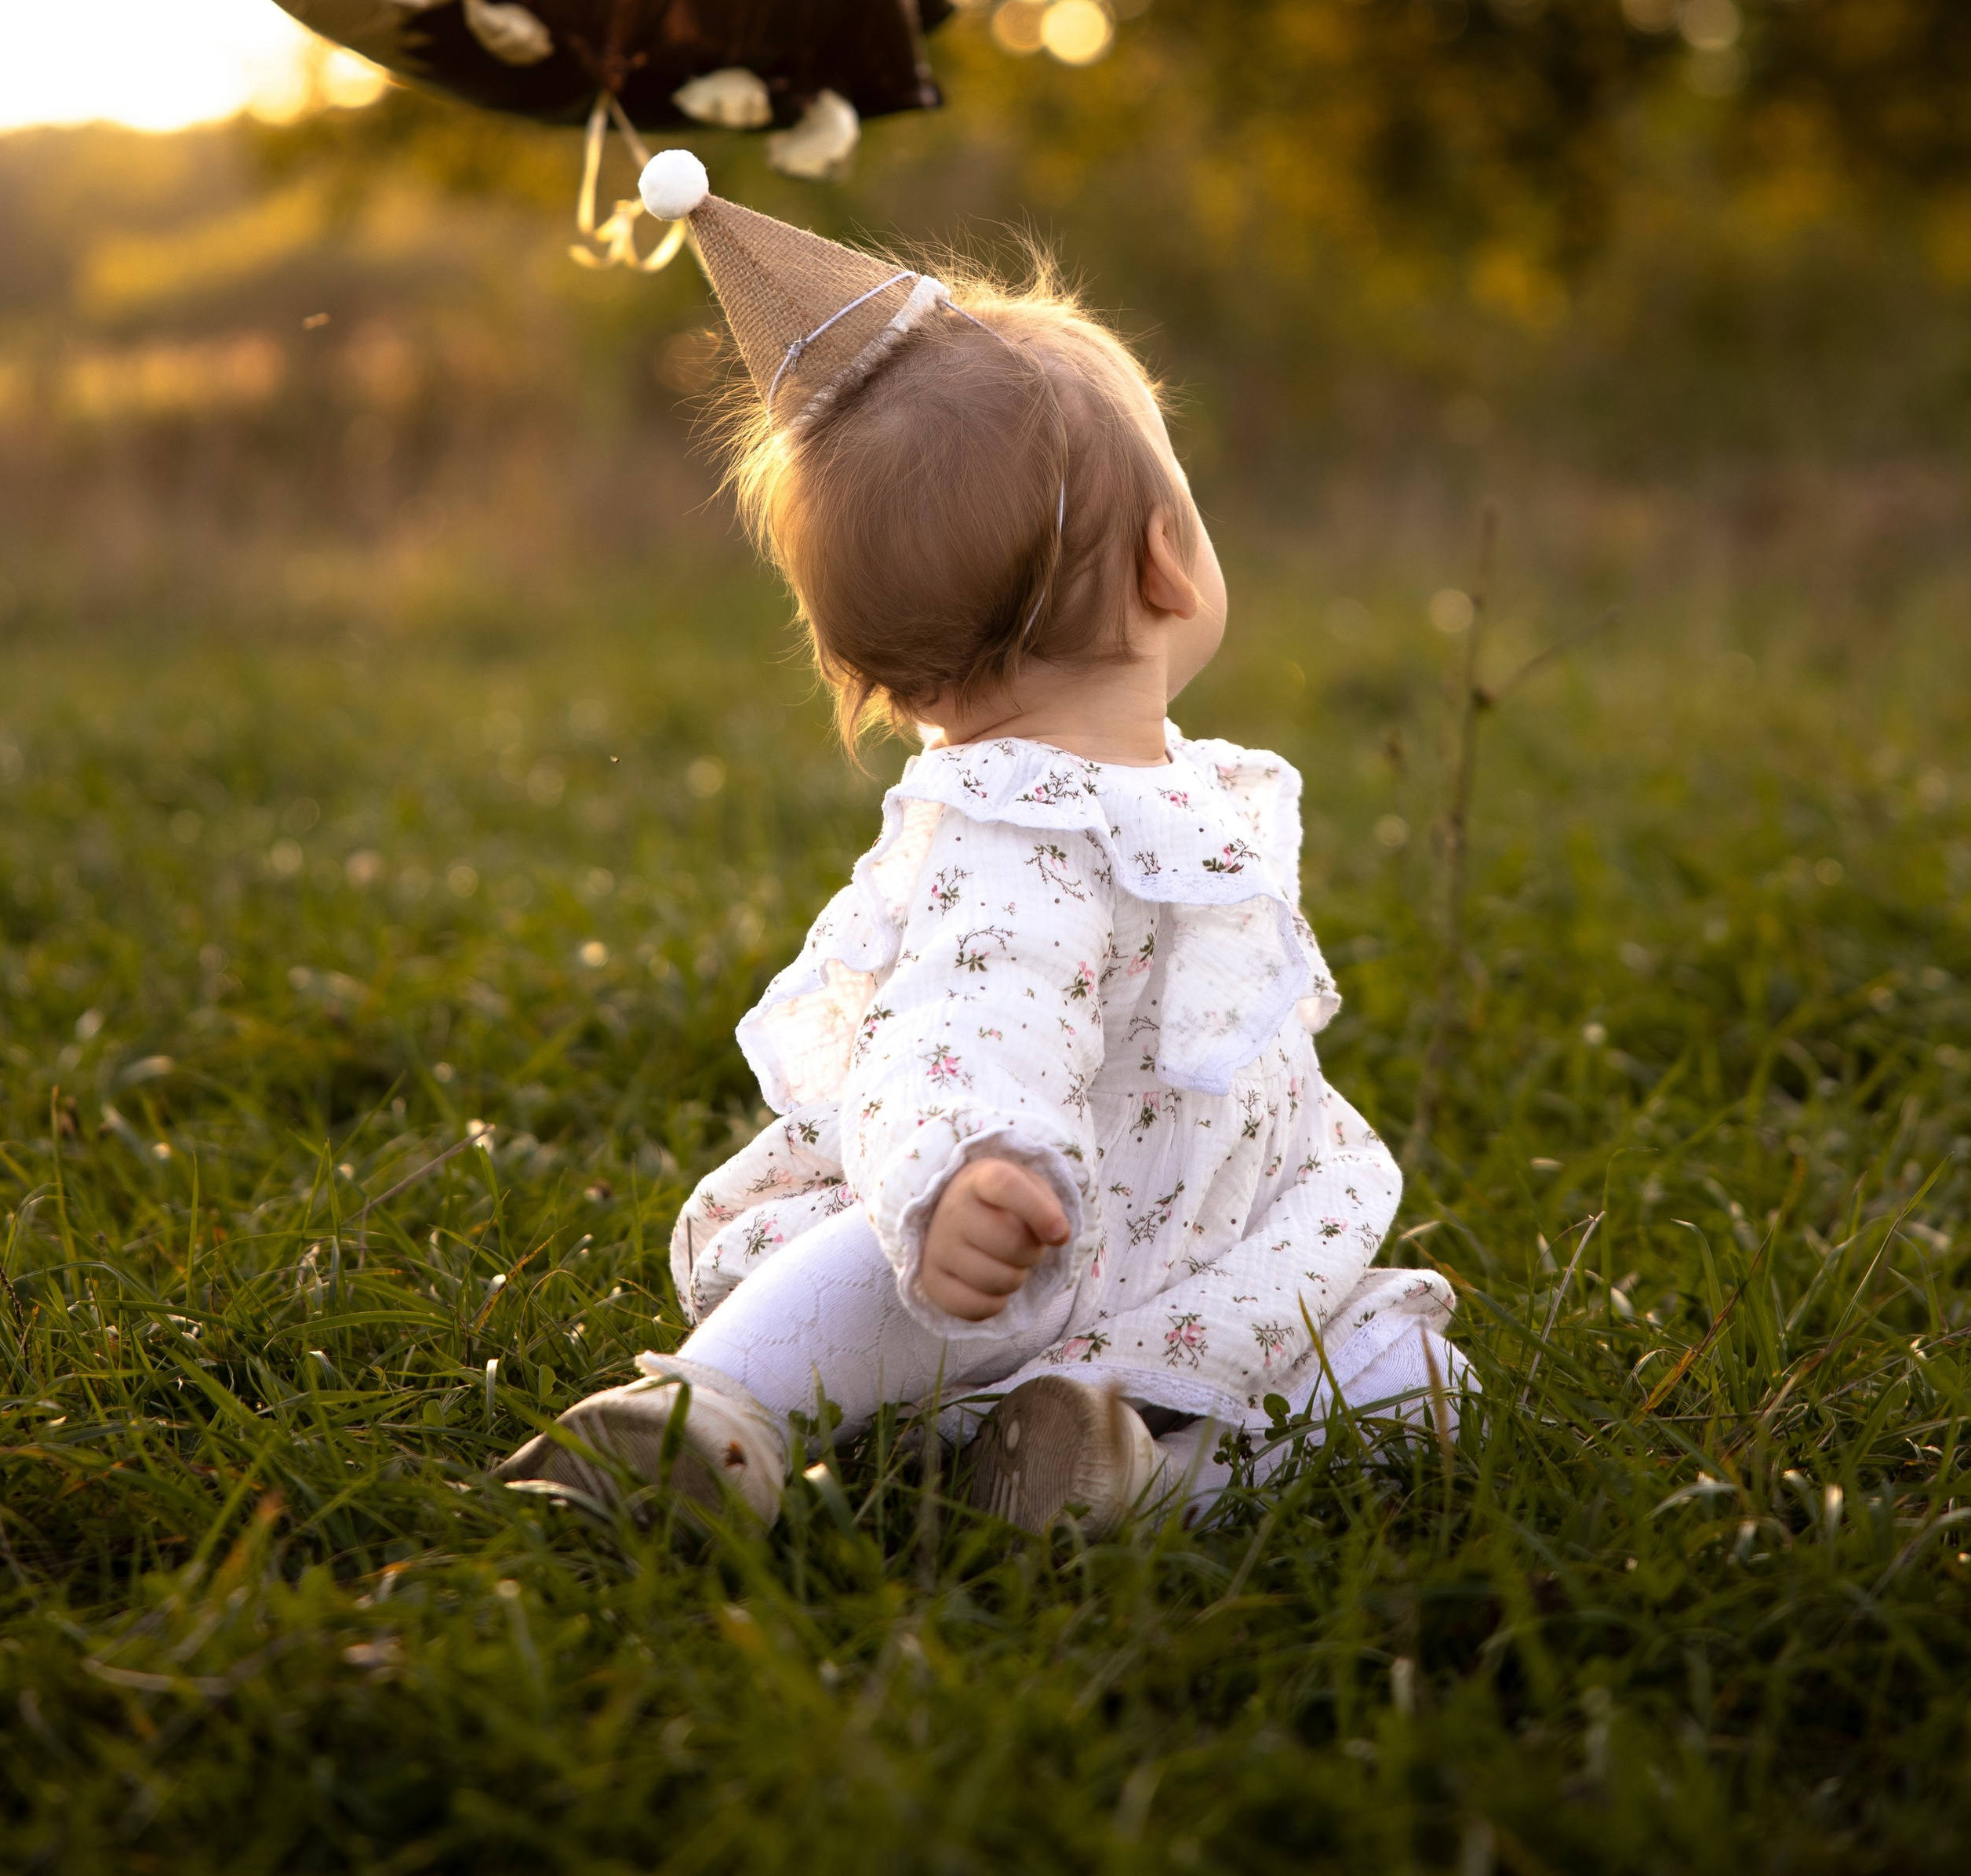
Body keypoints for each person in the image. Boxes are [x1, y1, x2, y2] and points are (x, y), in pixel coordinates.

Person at [500, 151, 1466, 1536]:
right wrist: (972, 1168)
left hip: (1196, 1246)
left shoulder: (1172, 789)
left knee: (1423, 1384)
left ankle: (1110, 1469)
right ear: (1167, 563)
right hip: (1032, 1243)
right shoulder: (1013, 831)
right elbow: (968, 1012)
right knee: (881, 1271)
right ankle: (712, 1407)